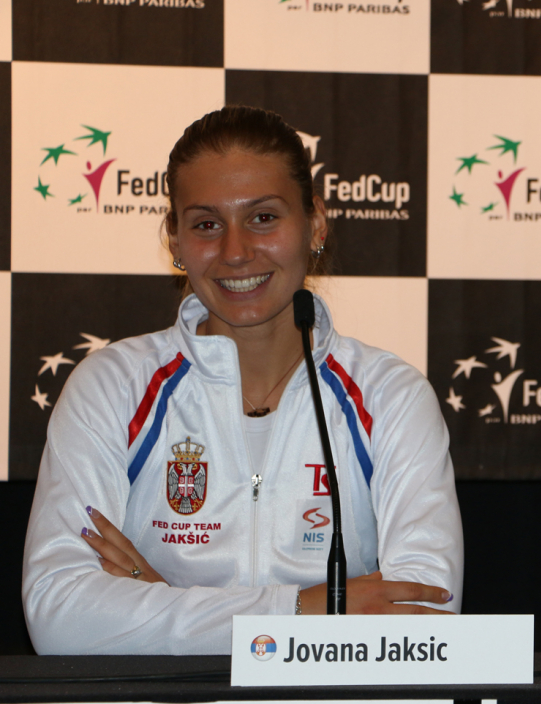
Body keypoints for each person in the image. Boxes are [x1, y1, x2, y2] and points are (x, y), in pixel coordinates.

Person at [22, 106, 464, 655]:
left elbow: (424, 618)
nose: (235, 252)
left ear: (315, 224)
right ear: (175, 240)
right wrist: (304, 609)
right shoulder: (112, 388)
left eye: (263, 218)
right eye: (207, 224)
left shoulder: (391, 396)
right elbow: (59, 616)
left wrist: (162, 603)